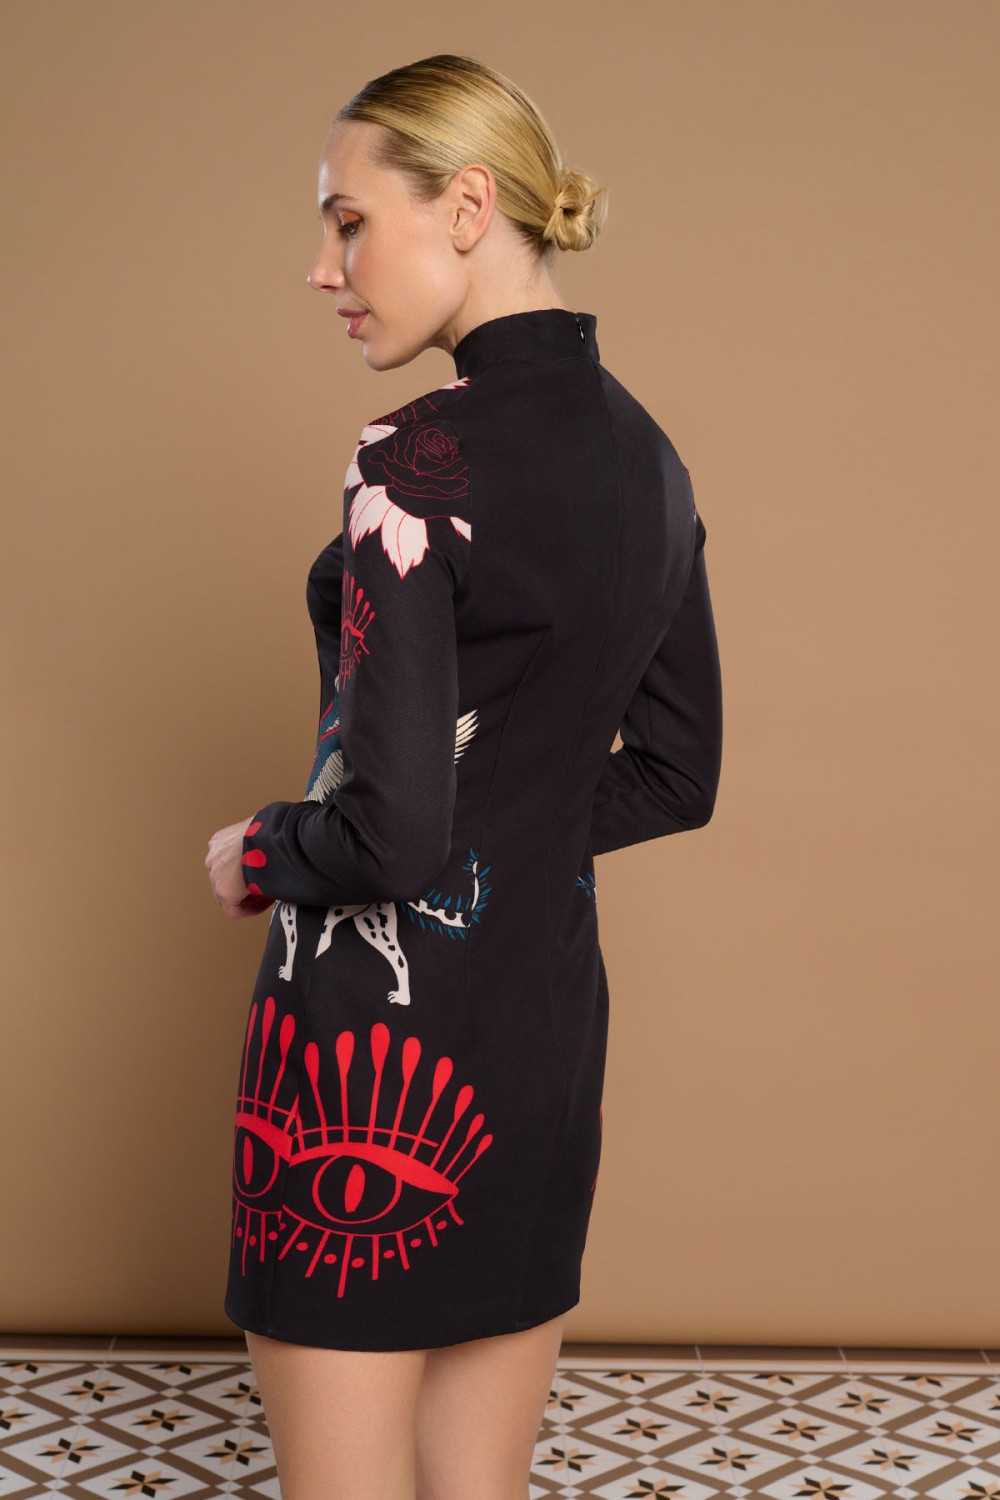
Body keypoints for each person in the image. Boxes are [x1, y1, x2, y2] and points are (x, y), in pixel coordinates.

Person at [204, 51, 723, 1500]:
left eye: (348, 222)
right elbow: (678, 772)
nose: (325, 269)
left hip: (364, 1073)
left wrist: (260, 850)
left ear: (469, 207)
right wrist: (496, 830)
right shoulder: (652, 461)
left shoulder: (411, 457)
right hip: (541, 1036)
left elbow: (386, 834)